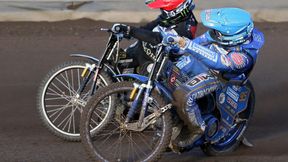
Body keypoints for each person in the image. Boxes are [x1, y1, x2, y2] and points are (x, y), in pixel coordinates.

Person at [112, 7, 265, 149]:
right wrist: (175, 45)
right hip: (200, 64)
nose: (214, 32)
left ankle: (196, 130)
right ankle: (168, 117)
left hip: (217, 76)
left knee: (183, 95)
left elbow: (217, 62)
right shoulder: (222, 34)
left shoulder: (243, 57)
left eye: (218, 31)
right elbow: (200, 41)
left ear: (233, 35)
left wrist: (188, 45)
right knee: (161, 70)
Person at [114, 0, 198, 74]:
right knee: (115, 59)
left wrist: (130, 30)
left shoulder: (185, 29)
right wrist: (127, 32)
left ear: (176, 11)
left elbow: (156, 38)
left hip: (155, 64)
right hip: (140, 53)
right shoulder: (177, 17)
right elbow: (153, 24)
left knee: (142, 80)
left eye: (164, 9)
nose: (162, 12)